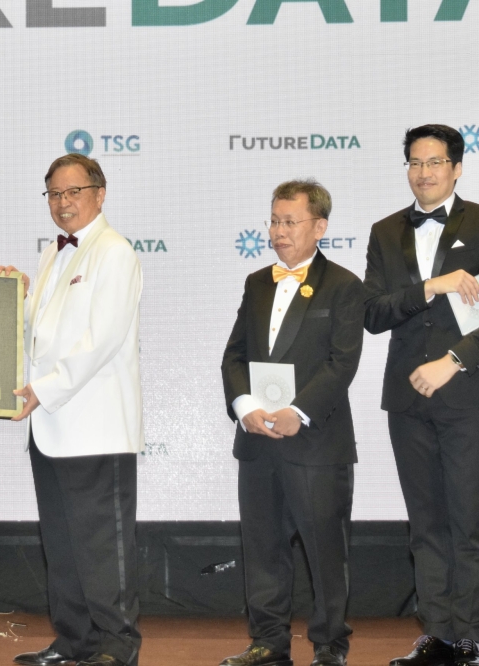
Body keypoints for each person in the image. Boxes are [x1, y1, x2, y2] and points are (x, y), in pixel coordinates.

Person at [0, 153, 142, 666]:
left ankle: (117, 646)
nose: (63, 203)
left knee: (104, 547)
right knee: (62, 547)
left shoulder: (115, 251)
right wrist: (15, 298)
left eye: (74, 192)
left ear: (99, 194)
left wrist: (44, 389)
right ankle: (75, 640)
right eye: (55, 194)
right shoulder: (53, 254)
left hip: (95, 426)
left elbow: (100, 339)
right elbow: (44, 336)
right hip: (51, 426)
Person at [220, 180, 364, 666]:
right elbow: (234, 355)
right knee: (262, 547)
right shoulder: (256, 282)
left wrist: (297, 412)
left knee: (325, 553)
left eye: (290, 222)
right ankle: (268, 641)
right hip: (258, 440)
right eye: (274, 221)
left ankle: (329, 646)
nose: (278, 232)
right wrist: (245, 408)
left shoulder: (344, 285)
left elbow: (342, 364)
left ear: (319, 227)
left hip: (317, 443)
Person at [364, 124, 479, 666]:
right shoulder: (385, 231)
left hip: (467, 394)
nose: (424, 172)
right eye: (414, 162)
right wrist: (430, 286)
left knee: (469, 519)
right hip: (408, 400)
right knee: (426, 522)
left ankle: (473, 635)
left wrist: (453, 361)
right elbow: (373, 313)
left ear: (457, 167)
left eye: (435, 162)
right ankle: (439, 634)